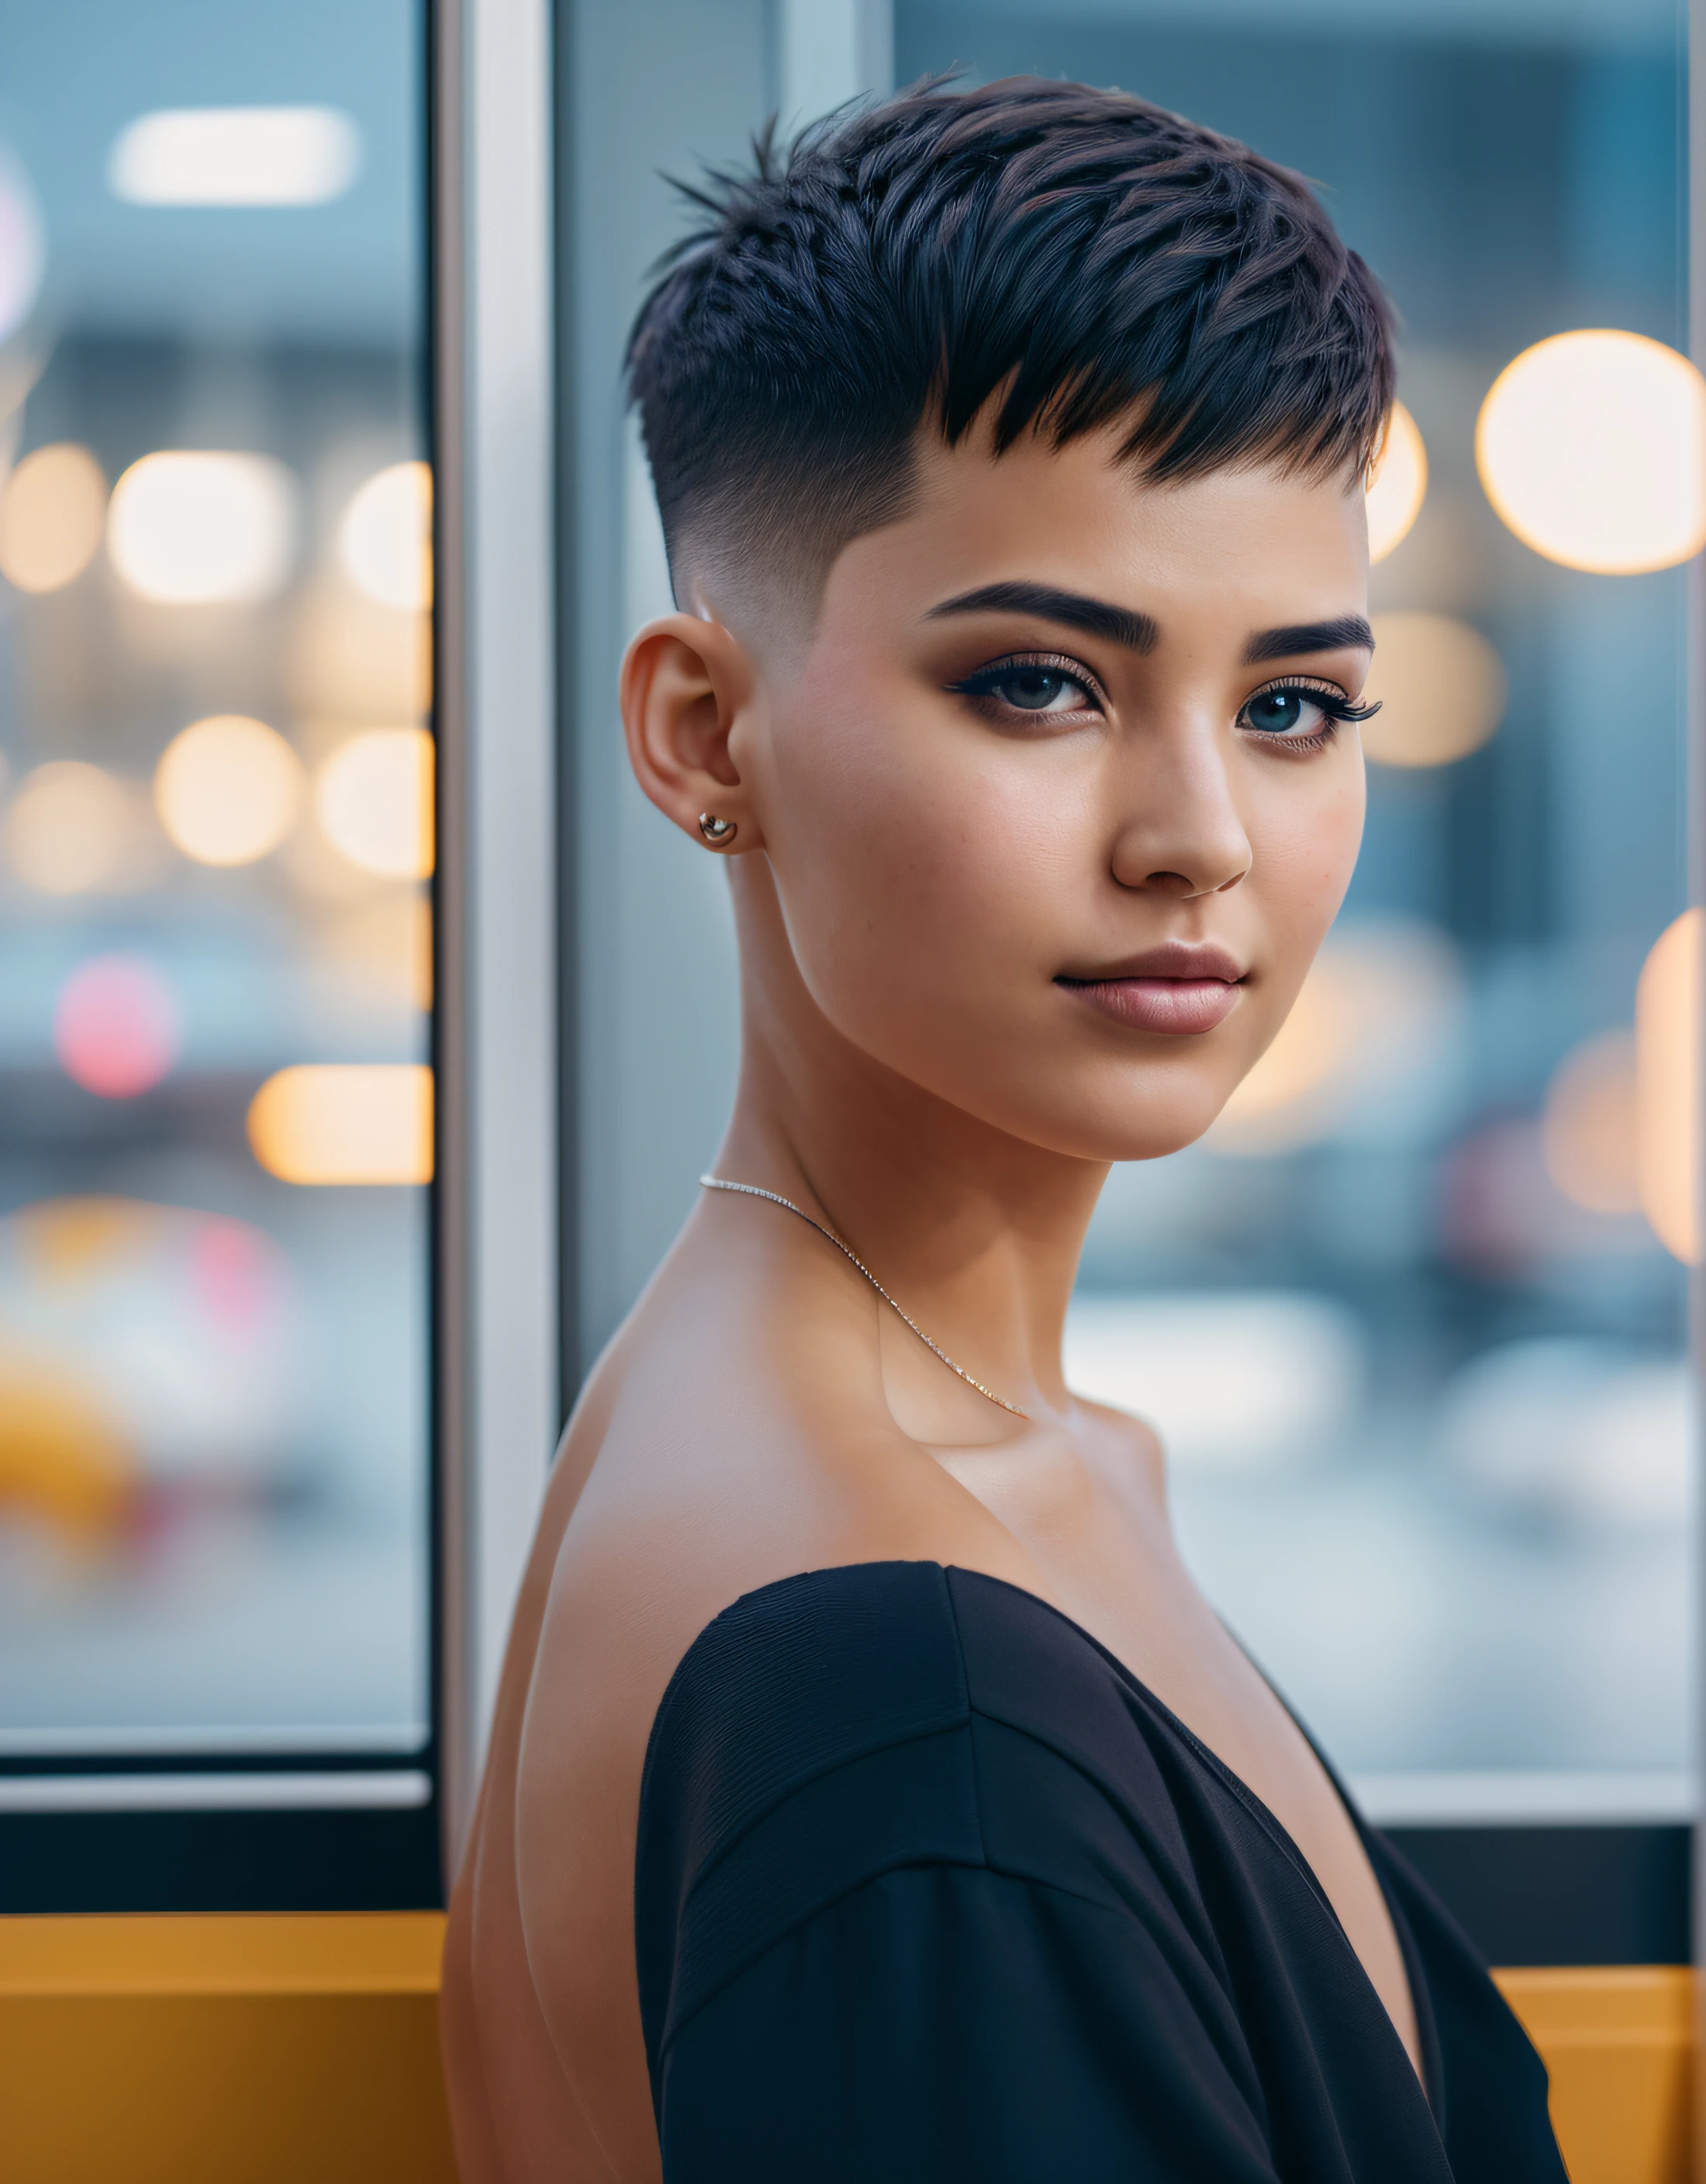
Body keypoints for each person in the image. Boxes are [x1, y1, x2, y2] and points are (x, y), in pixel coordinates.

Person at [441, 77, 1567, 2182]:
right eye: (1043, 683)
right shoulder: (898, 1686)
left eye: (1294, 706)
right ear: (707, 736)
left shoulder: (852, 1426)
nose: (1199, 841)